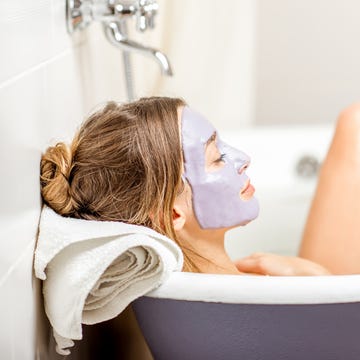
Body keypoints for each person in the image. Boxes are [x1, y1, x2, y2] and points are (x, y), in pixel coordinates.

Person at [40, 96, 360, 275]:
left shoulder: (252, 279)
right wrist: (318, 281)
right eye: (216, 157)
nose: (243, 158)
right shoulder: (266, 293)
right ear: (174, 215)